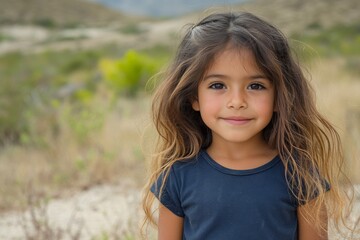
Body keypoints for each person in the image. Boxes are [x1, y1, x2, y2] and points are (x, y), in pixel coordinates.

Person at [142, 11, 354, 240]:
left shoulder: (300, 174)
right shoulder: (178, 176)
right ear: (194, 97)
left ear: (279, 98)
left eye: (255, 86)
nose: (237, 102)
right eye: (217, 85)